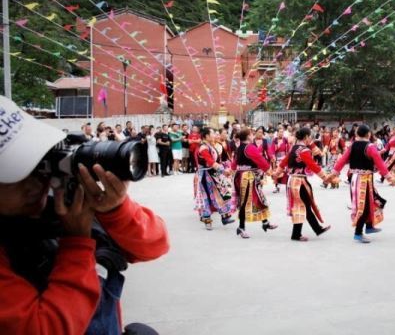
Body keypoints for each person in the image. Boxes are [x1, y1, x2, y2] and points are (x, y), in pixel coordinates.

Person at [0, 96, 169, 334]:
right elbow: (42, 328)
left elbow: (154, 245)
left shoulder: (62, 203)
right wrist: (77, 244)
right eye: (17, 172)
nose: (35, 183)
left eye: (38, 163)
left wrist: (116, 209)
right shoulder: (68, 222)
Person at [331, 125, 395, 243]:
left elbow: (342, 160)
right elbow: (379, 162)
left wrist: (333, 173)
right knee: (364, 206)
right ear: (368, 134)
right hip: (363, 180)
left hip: (356, 179)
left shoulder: (353, 145)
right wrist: (389, 177)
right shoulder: (370, 147)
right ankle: (358, 233)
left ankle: (370, 226)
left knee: (371, 202)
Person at [272, 128, 332, 241]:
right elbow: (313, 165)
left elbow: (284, 162)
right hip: (299, 182)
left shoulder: (293, 149)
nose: (311, 139)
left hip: (293, 180)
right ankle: (296, 234)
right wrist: (325, 177)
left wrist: (276, 173)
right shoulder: (304, 150)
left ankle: (317, 229)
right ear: (305, 137)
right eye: (310, 136)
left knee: (306, 205)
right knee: (301, 206)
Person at [231, 129, 277, 239]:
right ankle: (241, 227)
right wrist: (270, 172)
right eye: (251, 134)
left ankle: (265, 222)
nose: (253, 135)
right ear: (248, 136)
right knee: (245, 202)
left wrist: (231, 170)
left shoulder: (240, 147)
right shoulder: (249, 147)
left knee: (259, 199)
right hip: (247, 177)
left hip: (242, 175)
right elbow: (260, 159)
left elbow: (235, 162)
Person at [193, 127, 236, 230]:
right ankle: (207, 220)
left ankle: (225, 216)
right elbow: (210, 162)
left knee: (222, 193)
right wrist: (223, 170)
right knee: (207, 197)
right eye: (213, 133)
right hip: (206, 175)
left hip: (213, 174)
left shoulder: (209, 145)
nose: (214, 135)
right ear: (206, 136)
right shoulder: (203, 148)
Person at [269, 127, 289, 193]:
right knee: (276, 173)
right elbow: (271, 150)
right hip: (277, 159)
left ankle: (287, 186)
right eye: (280, 132)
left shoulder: (285, 140)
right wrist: (273, 156)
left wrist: (288, 156)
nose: (281, 133)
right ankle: (277, 187)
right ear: (277, 133)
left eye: (282, 132)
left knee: (285, 173)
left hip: (284, 158)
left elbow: (288, 149)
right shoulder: (274, 140)